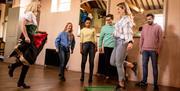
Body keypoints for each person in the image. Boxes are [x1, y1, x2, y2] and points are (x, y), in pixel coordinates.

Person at [8, 1, 47, 89]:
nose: (39, 8)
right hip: (27, 38)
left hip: (31, 38)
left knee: (27, 62)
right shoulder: (29, 13)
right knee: (29, 59)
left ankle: (20, 82)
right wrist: (26, 37)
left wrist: (40, 32)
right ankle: (13, 66)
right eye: (39, 6)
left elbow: (32, 30)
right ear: (34, 6)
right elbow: (23, 25)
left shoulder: (33, 15)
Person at [110, 2, 134, 89]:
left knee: (119, 64)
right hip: (116, 42)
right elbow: (117, 31)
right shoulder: (120, 19)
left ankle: (121, 83)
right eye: (117, 9)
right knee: (112, 62)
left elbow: (128, 32)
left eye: (119, 9)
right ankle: (131, 65)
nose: (117, 11)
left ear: (124, 9)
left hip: (122, 42)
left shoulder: (127, 20)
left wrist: (130, 42)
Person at [136, 13, 163, 90]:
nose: (148, 20)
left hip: (154, 51)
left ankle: (155, 84)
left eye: (150, 19)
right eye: (147, 19)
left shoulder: (158, 27)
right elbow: (142, 38)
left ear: (153, 18)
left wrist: (158, 49)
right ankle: (144, 82)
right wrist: (140, 48)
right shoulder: (144, 27)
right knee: (144, 66)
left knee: (154, 67)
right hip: (145, 50)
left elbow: (160, 40)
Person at [98, 14, 116, 79]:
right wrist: (100, 46)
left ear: (112, 19)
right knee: (107, 61)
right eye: (107, 20)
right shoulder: (104, 28)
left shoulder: (116, 26)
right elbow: (101, 38)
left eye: (109, 20)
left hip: (114, 47)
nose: (108, 21)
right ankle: (107, 75)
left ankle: (113, 74)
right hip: (106, 46)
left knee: (113, 61)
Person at [80, 17, 97, 83]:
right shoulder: (82, 30)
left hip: (92, 46)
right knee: (83, 61)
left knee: (91, 62)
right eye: (87, 23)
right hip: (85, 45)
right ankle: (82, 75)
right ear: (85, 23)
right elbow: (81, 40)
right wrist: (80, 48)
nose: (88, 24)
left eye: (89, 23)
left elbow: (95, 38)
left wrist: (96, 47)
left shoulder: (93, 29)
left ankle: (90, 77)